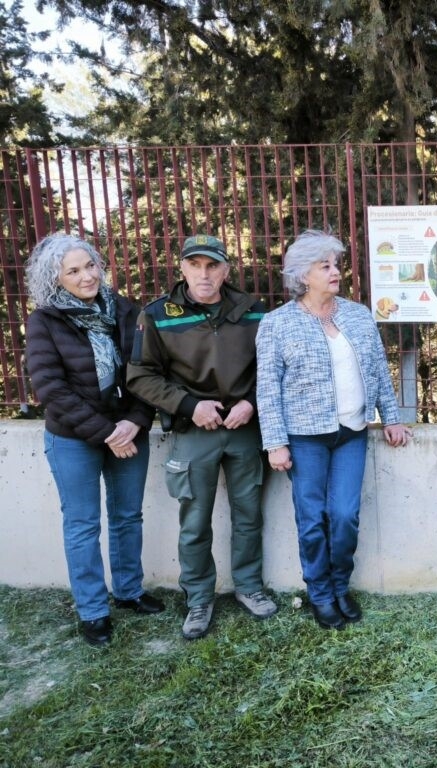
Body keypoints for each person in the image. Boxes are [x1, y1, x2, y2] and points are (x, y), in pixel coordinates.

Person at [256, 230, 412, 630]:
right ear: (302, 275)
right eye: (324, 266)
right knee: (312, 518)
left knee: (344, 515)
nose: (335, 272)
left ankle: (340, 585)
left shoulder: (357, 315)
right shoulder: (277, 324)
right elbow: (267, 389)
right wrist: (275, 443)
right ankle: (320, 593)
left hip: (351, 431)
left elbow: (378, 368)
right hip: (305, 437)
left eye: (336, 264)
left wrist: (390, 417)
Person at [127, 233, 277, 640]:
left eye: (213, 265)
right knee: (195, 521)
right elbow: (140, 375)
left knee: (249, 515)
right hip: (194, 431)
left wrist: (251, 403)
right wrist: (191, 405)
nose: (204, 273)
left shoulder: (252, 311)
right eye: (195, 265)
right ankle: (198, 598)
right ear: (183, 268)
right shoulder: (158, 314)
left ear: (226, 270)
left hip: (244, 429)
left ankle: (249, 586)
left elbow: (271, 366)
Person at [25, 234, 163, 646]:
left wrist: (135, 422)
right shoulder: (45, 321)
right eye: (73, 271)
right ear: (57, 279)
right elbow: (51, 389)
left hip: (128, 431)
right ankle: (92, 610)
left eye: (90, 265)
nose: (87, 276)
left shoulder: (124, 309)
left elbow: (146, 371)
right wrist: (106, 433)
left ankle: (129, 591)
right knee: (83, 525)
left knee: (127, 517)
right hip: (74, 439)